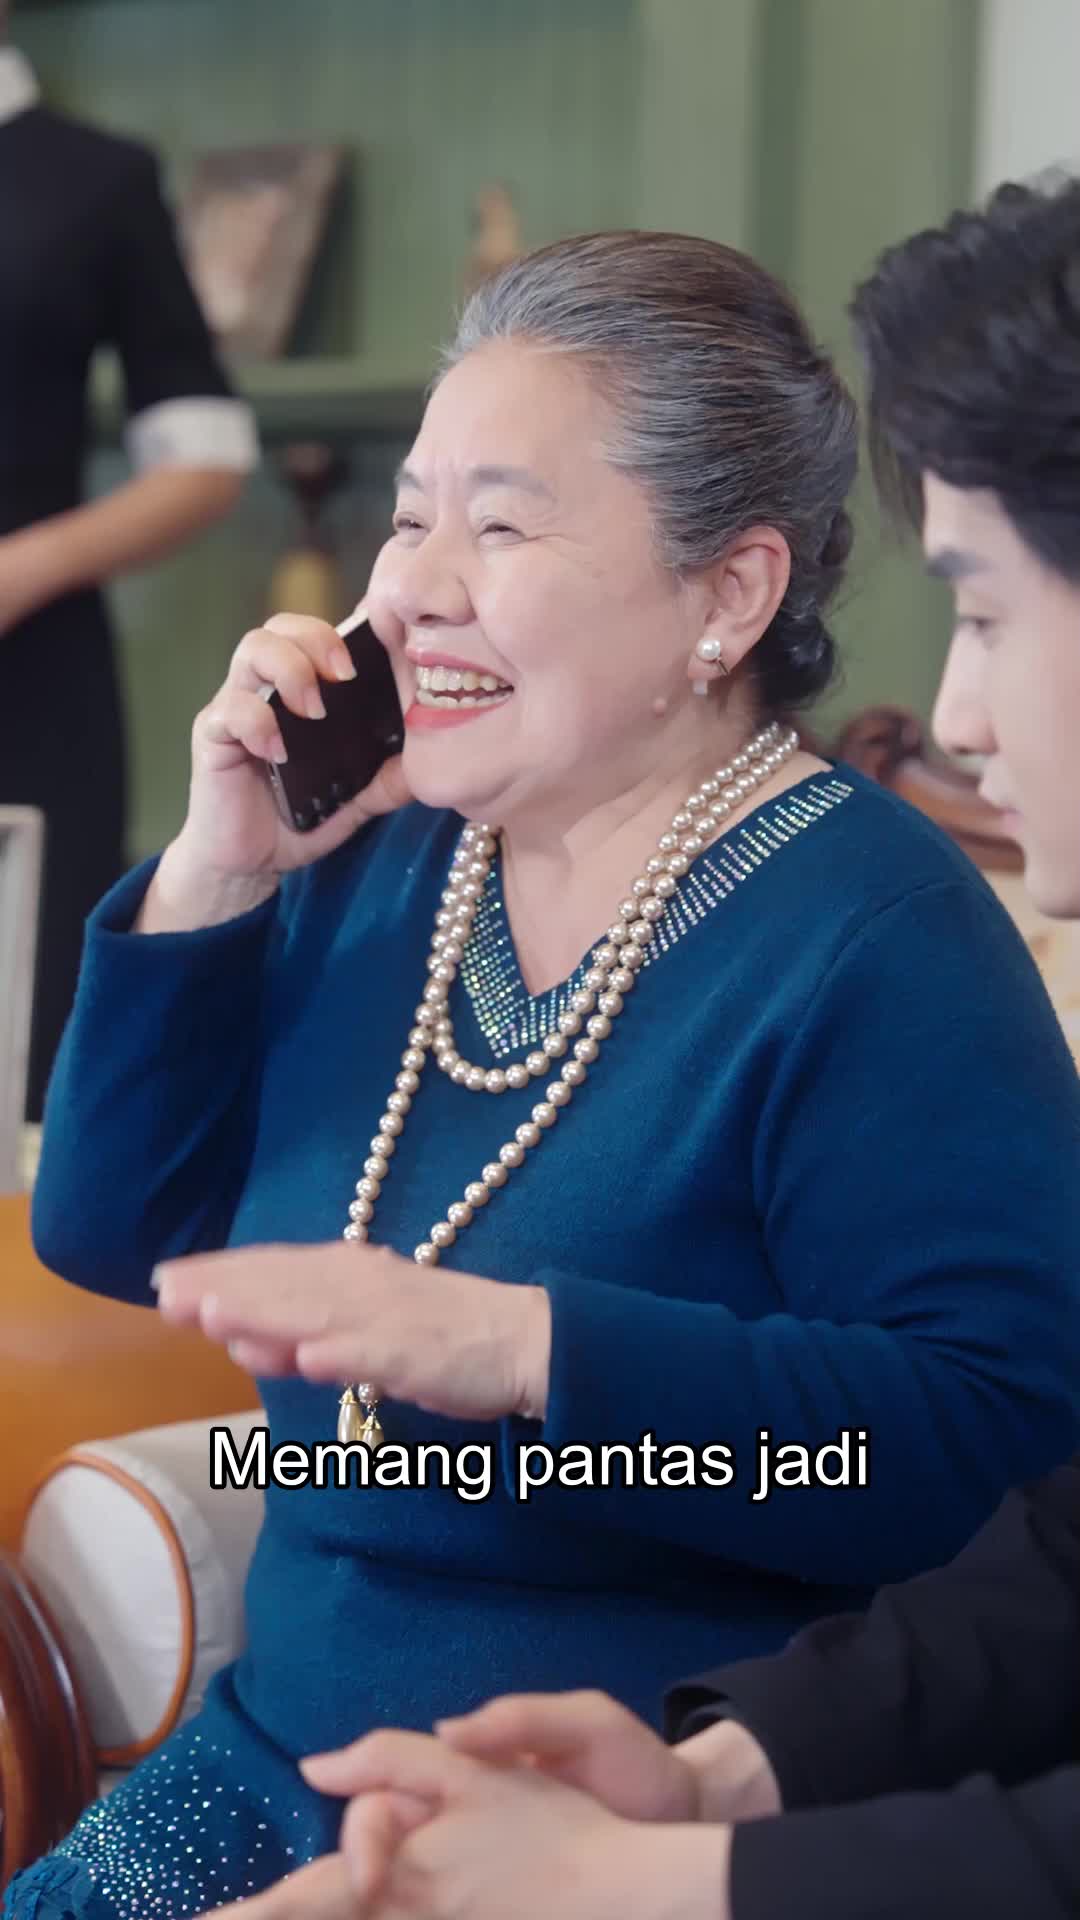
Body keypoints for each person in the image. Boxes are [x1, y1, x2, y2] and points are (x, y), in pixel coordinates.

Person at [7, 226, 1080, 1920]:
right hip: (276, 1760)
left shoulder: (872, 931)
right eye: (411, 516)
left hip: (611, 1811)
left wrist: (535, 1355)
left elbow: (984, 1452)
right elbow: (111, 1231)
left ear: (728, 596)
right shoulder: (379, 855)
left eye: (499, 527)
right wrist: (218, 872)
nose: (415, 587)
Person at [0, 12, 257, 1118]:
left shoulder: (94, 179)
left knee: (24, 1052)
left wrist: (22, 569)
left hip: (27, 678)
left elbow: (206, 453)